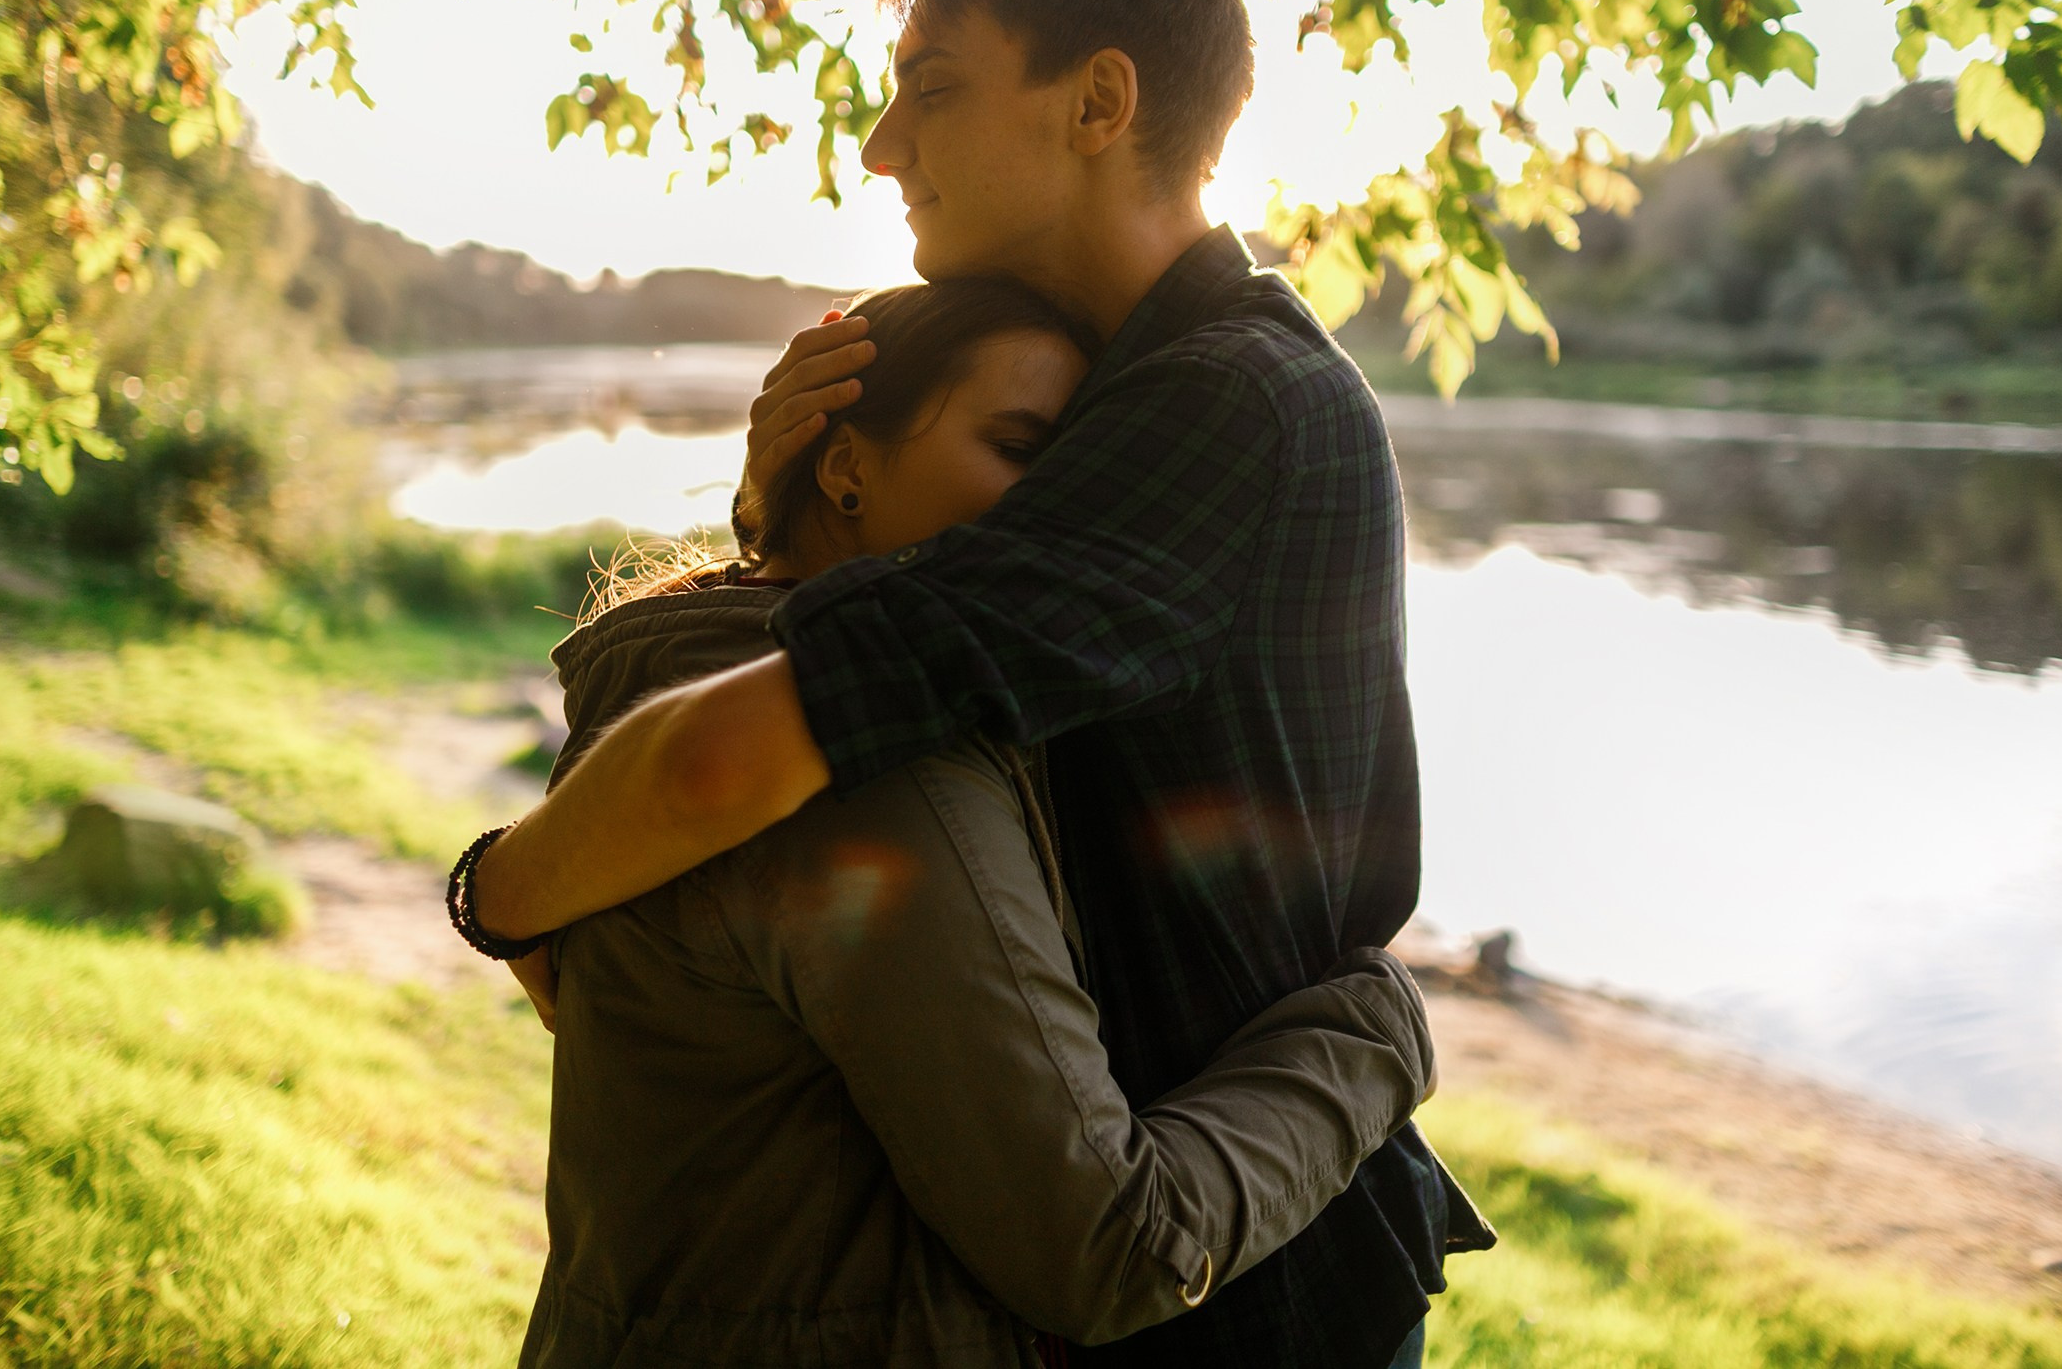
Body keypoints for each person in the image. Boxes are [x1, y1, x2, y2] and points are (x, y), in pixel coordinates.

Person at [464, 0, 1494, 1368]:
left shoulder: (1230, 400)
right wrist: (795, 510)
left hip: (1247, 1293)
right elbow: (926, 645)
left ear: (1099, 103)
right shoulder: (1122, 387)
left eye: (932, 90)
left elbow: (790, 718)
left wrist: (502, 892)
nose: (882, 146)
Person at [485, 276, 1438, 1367]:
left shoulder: (669, 669)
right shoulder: (863, 767)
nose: (1071, 506)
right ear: (845, 467)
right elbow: (1106, 1246)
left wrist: (775, 510)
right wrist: (1377, 1032)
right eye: (1021, 449)